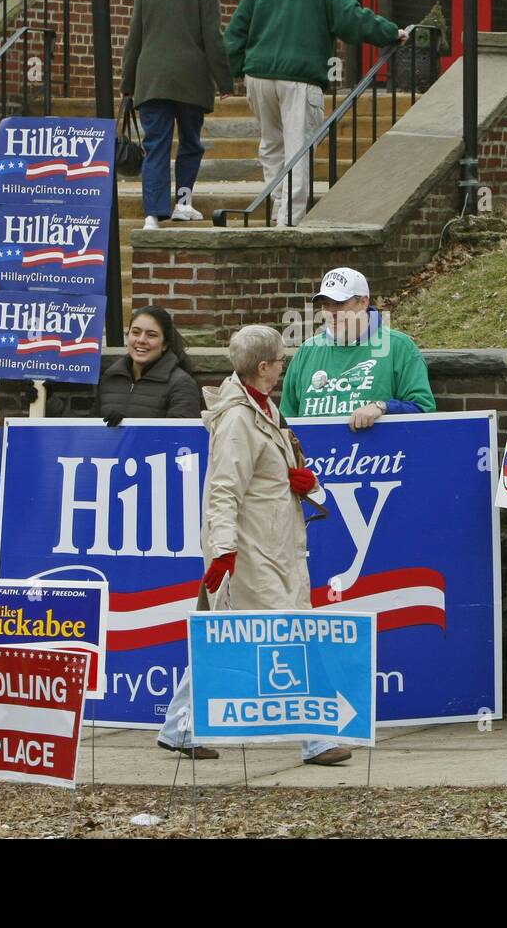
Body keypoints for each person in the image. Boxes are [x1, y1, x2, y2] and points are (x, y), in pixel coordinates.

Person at [155, 324, 352, 766]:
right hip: (252, 550)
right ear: (264, 368)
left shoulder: (259, 407)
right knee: (291, 635)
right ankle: (316, 739)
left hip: (270, 544)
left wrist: (302, 483)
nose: (284, 365)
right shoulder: (240, 418)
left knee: (227, 639)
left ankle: (179, 726)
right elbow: (223, 489)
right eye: (280, 359)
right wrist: (224, 549)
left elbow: (261, 477)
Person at [223, 0, 407, 226]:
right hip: (299, 79)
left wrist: (230, 76)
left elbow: (234, 36)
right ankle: (290, 220)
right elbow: (354, 20)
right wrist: (390, 33)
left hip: (258, 78)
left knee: (271, 146)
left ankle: (277, 210)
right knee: (298, 149)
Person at [120, 0, 235, 231]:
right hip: (191, 82)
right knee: (190, 144)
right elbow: (213, 39)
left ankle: (152, 214)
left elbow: (134, 41)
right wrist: (225, 82)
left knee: (156, 145)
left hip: (152, 80)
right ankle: (183, 203)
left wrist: (127, 84)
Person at [280, 267, 435, 427]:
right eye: (326, 305)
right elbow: (285, 422)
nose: (332, 312)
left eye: (340, 304)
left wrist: (383, 408)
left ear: (363, 302)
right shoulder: (307, 351)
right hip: (314, 452)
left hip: (378, 452)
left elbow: (424, 410)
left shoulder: (399, 347)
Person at [96, 306, 202, 423]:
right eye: (135, 332)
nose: (141, 340)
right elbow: (89, 432)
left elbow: (180, 437)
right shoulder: (109, 377)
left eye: (151, 335)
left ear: (165, 344)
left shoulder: (181, 384)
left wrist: (129, 427)